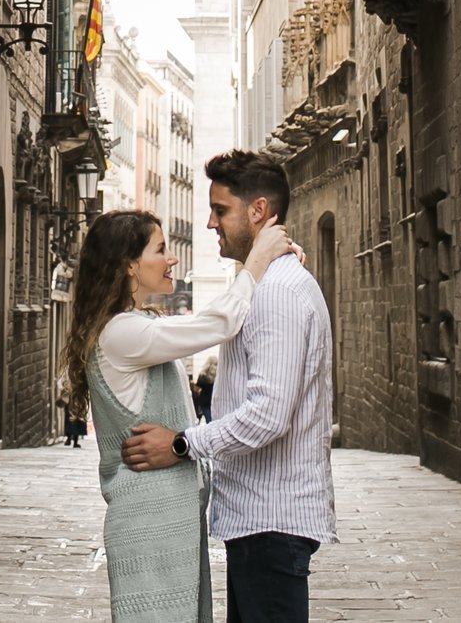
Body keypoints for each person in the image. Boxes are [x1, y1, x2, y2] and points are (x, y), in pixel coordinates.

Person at [122, 151, 334, 623]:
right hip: (259, 522)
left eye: (220, 210)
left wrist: (180, 444)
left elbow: (268, 414)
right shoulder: (266, 284)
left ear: (257, 210)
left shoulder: (277, 293)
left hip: (271, 523)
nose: (210, 223)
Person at [61, 206, 296, 622]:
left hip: (169, 523)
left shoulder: (130, 326)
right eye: (161, 249)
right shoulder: (122, 333)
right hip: (150, 527)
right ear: (130, 265)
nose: (172, 259)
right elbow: (219, 323)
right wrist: (258, 259)